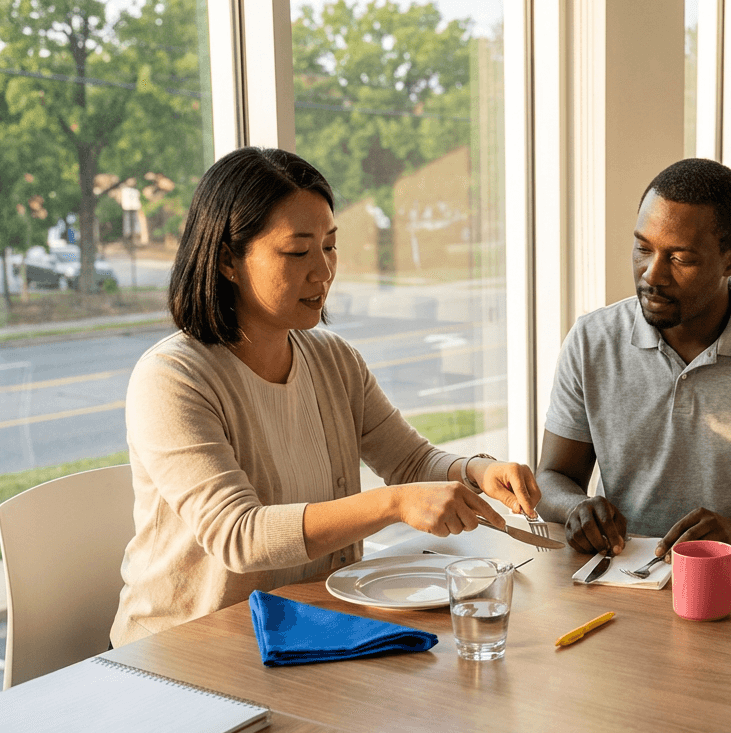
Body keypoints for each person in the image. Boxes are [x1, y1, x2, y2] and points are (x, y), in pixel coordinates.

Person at [111, 148, 539, 646]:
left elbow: (410, 460)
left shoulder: (334, 359)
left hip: (311, 632)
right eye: (298, 252)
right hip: (190, 650)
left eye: (330, 246)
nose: (323, 271)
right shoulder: (172, 378)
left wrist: (478, 473)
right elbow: (239, 535)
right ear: (229, 259)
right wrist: (393, 504)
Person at [534, 158, 731, 560]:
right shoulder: (591, 339)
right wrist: (577, 508)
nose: (652, 274)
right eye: (642, 248)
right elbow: (553, 476)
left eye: (680, 258)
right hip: (627, 574)